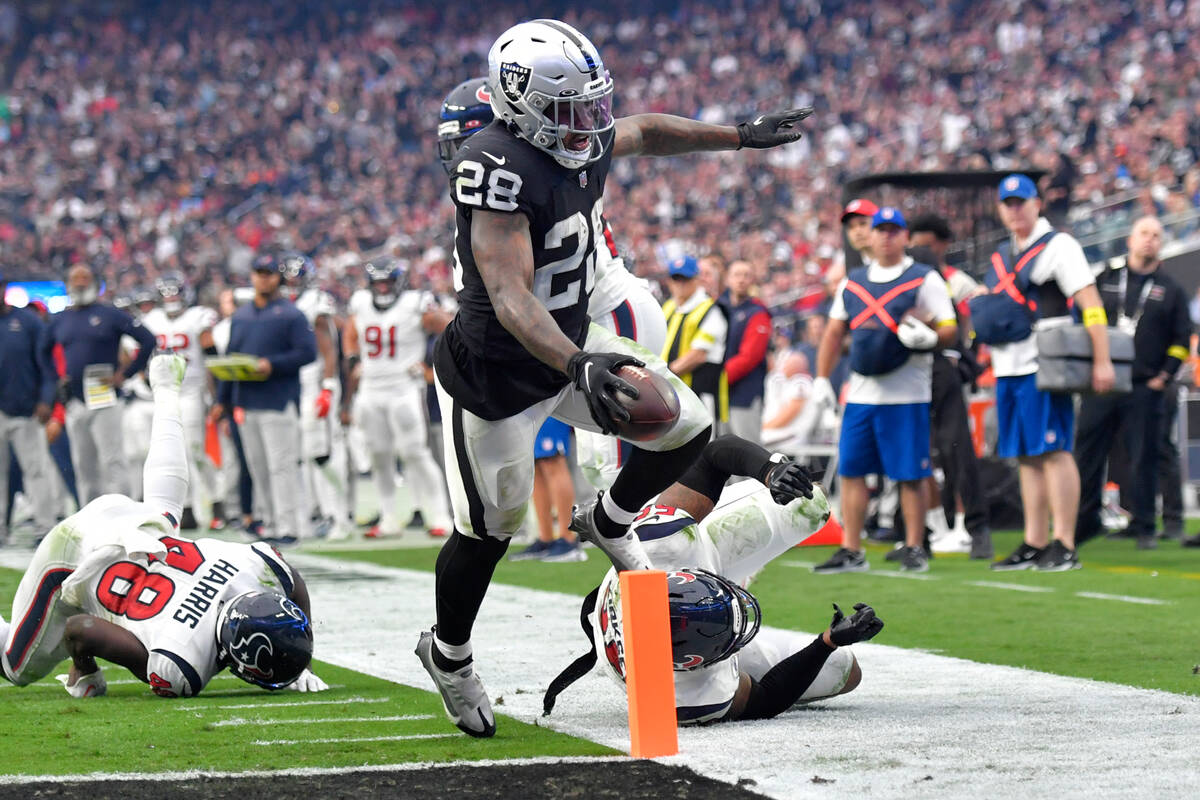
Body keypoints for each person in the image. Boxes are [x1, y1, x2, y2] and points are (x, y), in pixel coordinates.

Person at [417, 17, 810, 738]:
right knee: (490, 531)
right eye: (571, 111)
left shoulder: (581, 137)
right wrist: (576, 362)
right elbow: (509, 298)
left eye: (594, 105)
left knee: (683, 423)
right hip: (501, 371)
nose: (590, 125)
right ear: (517, 104)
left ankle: (609, 517)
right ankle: (451, 655)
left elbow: (651, 130)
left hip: (570, 345)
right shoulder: (495, 164)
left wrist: (740, 135)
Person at [0, 354, 325, 698]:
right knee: (13, 667)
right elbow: (80, 628)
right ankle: (167, 390)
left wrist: (303, 658)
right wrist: (85, 667)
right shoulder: (180, 663)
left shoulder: (255, 565)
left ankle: (167, 389)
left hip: (130, 520)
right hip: (69, 557)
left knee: (166, 515)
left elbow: (293, 582)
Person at [542, 434, 883, 724]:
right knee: (844, 670)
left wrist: (772, 469)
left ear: (691, 577)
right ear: (698, 663)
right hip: (643, 659)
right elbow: (764, 699)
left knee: (808, 503)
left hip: (665, 568)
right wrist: (827, 642)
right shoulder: (689, 695)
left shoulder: (664, 544)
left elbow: (714, 454)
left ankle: (732, 567)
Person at [437, 75, 669, 494]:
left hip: (607, 313)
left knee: (616, 463)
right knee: (604, 465)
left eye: (476, 136)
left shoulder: (543, 169)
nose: (467, 154)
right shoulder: (500, 193)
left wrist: (739, 135)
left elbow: (644, 132)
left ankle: (660, 551)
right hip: (565, 334)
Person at [974, 174, 1115, 572]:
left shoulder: (1059, 246)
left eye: (1021, 201)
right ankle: (1035, 540)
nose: (1015, 209)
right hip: (1008, 365)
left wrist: (1100, 359)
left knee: (1053, 450)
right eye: (1008, 203)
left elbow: (1089, 300)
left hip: (1046, 362)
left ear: (1037, 203)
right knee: (1025, 455)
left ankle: (1064, 541)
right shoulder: (1003, 254)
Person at [811, 207, 958, 574]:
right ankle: (852, 547)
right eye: (881, 230)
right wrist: (820, 379)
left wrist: (931, 338)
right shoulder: (854, 281)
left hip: (907, 392)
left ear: (905, 236)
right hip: (861, 391)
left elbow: (950, 326)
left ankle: (913, 544)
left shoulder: (925, 278)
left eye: (894, 231)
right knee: (852, 470)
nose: (887, 237)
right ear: (871, 237)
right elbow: (833, 332)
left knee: (909, 472)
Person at [1073, 217, 1191, 550]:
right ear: (1130, 239)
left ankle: (1144, 526)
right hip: (1102, 381)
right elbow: (1082, 320)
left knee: (1146, 456)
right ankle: (1085, 521)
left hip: (1144, 385)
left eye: (1156, 235)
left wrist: (1163, 376)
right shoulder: (1106, 280)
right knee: (1087, 451)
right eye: (1144, 234)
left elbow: (1182, 338)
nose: (1150, 240)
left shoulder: (1170, 289)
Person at [211, 253, 317, 545]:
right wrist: (223, 400)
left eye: (268, 273)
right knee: (257, 467)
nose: (263, 277)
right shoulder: (242, 316)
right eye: (258, 272)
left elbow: (308, 353)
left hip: (278, 399)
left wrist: (273, 364)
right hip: (247, 399)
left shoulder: (291, 314)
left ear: (278, 278)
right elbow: (230, 356)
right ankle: (268, 522)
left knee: (281, 466)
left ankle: (289, 525)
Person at [343, 257, 453, 538]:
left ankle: (440, 515)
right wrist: (354, 358)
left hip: (403, 388)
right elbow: (350, 331)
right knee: (379, 455)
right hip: (370, 388)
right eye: (377, 282)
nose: (382, 288)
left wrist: (433, 367)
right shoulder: (360, 302)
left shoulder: (415, 303)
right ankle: (389, 518)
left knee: (415, 453)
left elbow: (451, 330)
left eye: (387, 282)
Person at [908, 214, 992, 559]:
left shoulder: (955, 282)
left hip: (942, 368)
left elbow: (969, 324)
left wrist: (963, 356)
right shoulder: (919, 276)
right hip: (913, 371)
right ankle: (923, 532)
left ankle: (972, 527)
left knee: (954, 449)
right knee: (918, 453)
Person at [40, 265, 157, 503]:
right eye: (76, 278)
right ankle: (89, 518)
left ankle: (122, 516)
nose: (81, 282)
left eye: (86, 277)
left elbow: (148, 339)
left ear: (95, 282)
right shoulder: (61, 319)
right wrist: (56, 379)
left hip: (105, 396)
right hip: (76, 400)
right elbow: (42, 352)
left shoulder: (109, 314)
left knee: (113, 460)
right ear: (68, 284)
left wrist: (125, 374)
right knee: (84, 464)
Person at [141, 273, 220, 530]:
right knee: (170, 450)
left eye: (175, 293)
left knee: (194, 449)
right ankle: (184, 509)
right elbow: (142, 353)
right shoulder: (151, 321)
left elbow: (211, 355)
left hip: (191, 389)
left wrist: (215, 393)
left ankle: (216, 500)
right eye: (167, 294)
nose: (172, 299)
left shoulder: (198, 317)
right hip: (164, 391)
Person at [283, 253, 352, 541]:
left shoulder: (316, 302)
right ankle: (313, 514)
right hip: (289, 385)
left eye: (295, 278)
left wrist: (328, 385)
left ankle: (340, 516)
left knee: (322, 454)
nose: (290, 283)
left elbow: (329, 347)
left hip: (313, 382)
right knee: (299, 457)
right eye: (286, 278)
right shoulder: (277, 305)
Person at [0, 270, 59, 544]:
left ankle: (44, 527)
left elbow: (47, 367)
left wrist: (46, 399)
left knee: (35, 469)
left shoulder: (27, 322)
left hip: (26, 408)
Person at [662, 254, 729, 431]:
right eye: (676, 279)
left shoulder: (711, 310)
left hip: (698, 395)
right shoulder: (668, 306)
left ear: (696, 280)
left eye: (686, 279)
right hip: (671, 394)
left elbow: (698, 355)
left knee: (703, 450)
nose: (680, 284)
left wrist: (663, 375)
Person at [511, 417, 586, 562]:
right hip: (524, 403)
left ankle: (568, 538)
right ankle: (546, 539)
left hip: (545, 400)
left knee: (552, 459)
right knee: (535, 463)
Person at [719, 260, 771, 443]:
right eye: (736, 275)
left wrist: (718, 378)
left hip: (745, 395)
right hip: (722, 396)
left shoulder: (757, 312)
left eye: (746, 275)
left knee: (748, 454)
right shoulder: (720, 307)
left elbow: (749, 357)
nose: (741, 280)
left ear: (752, 280)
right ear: (727, 279)